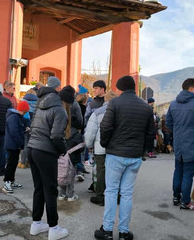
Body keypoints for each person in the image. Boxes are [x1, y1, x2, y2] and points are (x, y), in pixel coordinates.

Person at [94, 76, 156, 240]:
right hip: (135, 155)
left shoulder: (114, 103)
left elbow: (105, 126)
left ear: (120, 89)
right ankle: (124, 232)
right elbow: (151, 133)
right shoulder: (146, 107)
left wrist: (105, 144)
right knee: (127, 194)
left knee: (111, 191)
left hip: (115, 154)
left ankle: (107, 230)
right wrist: (144, 151)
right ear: (134, 88)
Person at [26, 77, 69, 240]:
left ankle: (36, 223)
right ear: (58, 89)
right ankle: (54, 228)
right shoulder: (59, 109)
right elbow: (57, 135)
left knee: (39, 188)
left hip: (32, 148)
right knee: (50, 190)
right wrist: (63, 150)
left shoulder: (40, 102)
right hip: (45, 151)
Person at [166, 78, 194, 211]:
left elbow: (168, 122)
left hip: (179, 144)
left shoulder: (173, 104)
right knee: (188, 174)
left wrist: (177, 131)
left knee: (178, 171)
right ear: (191, 88)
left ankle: (176, 197)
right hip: (193, 143)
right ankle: (185, 202)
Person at [85, 91, 117, 206]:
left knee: (101, 170)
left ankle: (100, 195)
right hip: (116, 148)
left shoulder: (98, 112)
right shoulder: (120, 112)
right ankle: (115, 195)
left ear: (105, 100)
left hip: (100, 148)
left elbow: (91, 131)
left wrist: (88, 145)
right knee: (115, 172)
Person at [58, 85, 84, 202]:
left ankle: (61, 193)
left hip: (59, 136)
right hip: (72, 137)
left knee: (60, 167)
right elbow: (80, 121)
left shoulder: (57, 103)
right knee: (70, 169)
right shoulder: (75, 104)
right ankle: (70, 194)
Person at [3, 100, 30, 193]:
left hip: (13, 144)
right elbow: (14, 132)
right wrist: (20, 143)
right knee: (11, 164)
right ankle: (7, 182)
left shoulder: (15, 116)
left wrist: (23, 128)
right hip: (12, 144)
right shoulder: (14, 117)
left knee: (13, 163)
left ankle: (11, 181)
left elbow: (16, 129)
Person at [18, 89, 38, 169]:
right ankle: (30, 162)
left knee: (25, 144)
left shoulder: (23, 102)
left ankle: (22, 162)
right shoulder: (37, 103)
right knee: (32, 145)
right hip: (34, 125)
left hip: (25, 125)